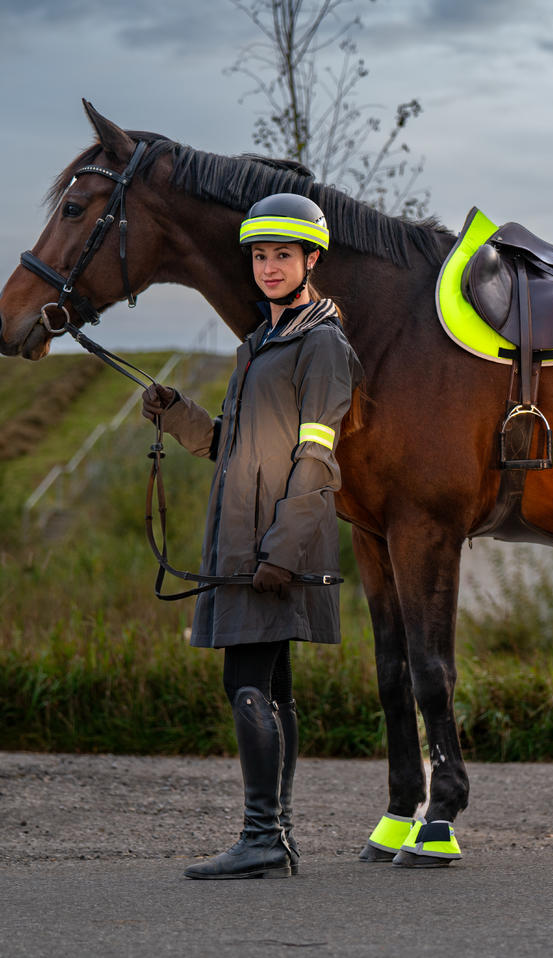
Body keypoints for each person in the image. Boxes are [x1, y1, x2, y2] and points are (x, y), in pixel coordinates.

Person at [141, 193, 363, 879]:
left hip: (274, 545)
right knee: (273, 688)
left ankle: (263, 835)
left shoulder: (321, 345)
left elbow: (317, 457)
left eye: (283, 255)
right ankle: (278, 836)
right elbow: (227, 444)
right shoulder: (260, 344)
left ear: (311, 260)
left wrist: (283, 551)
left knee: (245, 681)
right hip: (246, 543)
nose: (269, 267)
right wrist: (177, 415)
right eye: (261, 256)